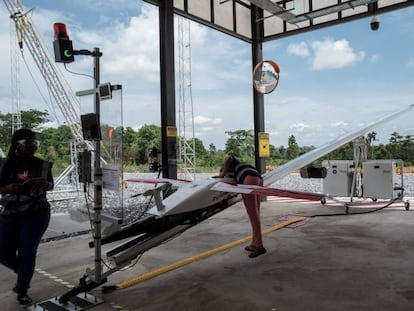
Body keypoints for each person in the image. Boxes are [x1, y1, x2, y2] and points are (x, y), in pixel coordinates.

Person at [0, 129, 54, 306]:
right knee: (3, 251)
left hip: (36, 213)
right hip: (10, 211)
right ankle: (23, 269)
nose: (32, 147)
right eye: (28, 144)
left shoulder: (43, 165)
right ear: (17, 145)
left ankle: (22, 289)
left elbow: (50, 185)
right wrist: (9, 188)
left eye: (34, 144)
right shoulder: (4, 164)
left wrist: (44, 183)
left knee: (27, 250)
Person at [217, 155, 266, 258]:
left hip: (248, 179)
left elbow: (229, 157)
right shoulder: (239, 166)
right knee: (256, 214)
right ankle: (254, 243)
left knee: (252, 214)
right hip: (258, 178)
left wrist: (222, 174)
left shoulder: (229, 167)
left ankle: (259, 246)